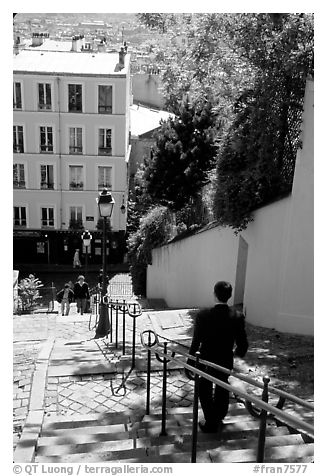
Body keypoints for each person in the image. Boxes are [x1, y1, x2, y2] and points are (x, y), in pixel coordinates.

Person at [186, 281, 248, 433]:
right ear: (230, 296)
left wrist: (189, 361)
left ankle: (211, 421)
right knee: (222, 387)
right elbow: (243, 344)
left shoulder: (203, 315)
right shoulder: (237, 316)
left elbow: (196, 341)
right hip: (225, 359)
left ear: (214, 294)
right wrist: (235, 355)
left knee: (204, 388)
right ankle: (218, 417)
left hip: (205, 359)